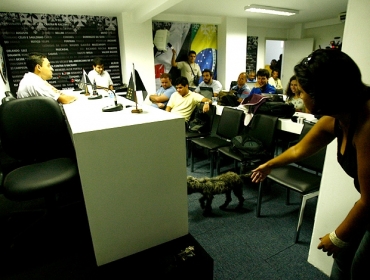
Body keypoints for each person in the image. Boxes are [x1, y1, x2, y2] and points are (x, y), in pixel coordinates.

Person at [250, 49, 370, 279]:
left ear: (323, 94)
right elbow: (298, 149)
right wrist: (269, 165)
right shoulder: (338, 116)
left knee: (359, 269)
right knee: (345, 260)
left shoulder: (366, 124)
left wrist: (337, 236)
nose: (299, 97)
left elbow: (369, 200)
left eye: (302, 91)